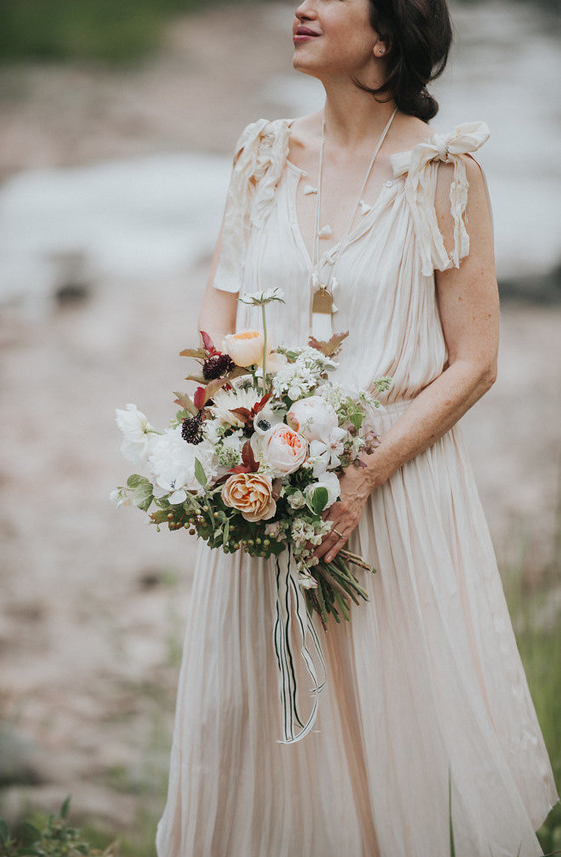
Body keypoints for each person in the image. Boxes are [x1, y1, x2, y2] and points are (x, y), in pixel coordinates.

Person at [156, 0, 558, 854]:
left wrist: (360, 477)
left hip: (393, 491)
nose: (301, 7)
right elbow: (218, 322)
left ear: (386, 33)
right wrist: (236, 439)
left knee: (391, 725)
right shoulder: (261, 155)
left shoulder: (445, 174)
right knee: (255, 720)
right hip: (264, 486)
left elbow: (475, 360)